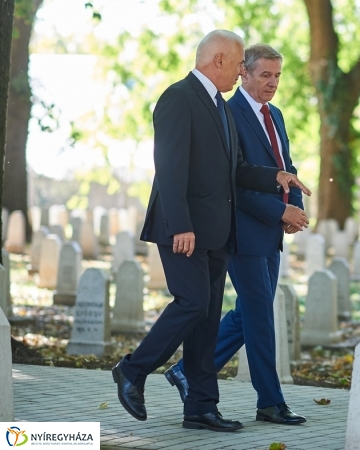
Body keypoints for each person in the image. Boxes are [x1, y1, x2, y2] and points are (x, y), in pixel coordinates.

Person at [111, 30, 311, 433]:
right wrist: (181, 224)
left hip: (217, 232)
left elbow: (235, 171)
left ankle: (201, 407)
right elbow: (169, 169)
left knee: (206, 320)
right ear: (219, 60)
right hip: (183, 229)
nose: (242, 72)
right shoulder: (178, 97)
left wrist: (276, 174)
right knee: (193, 304)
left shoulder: (220, 105)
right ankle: (132, 370)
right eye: (240, 64)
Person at [163, 44, 307, 425]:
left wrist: (296, 211)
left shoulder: (274, 115)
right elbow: (234, 185)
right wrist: (280, 210)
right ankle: (270, 402)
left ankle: (185, 372)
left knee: (248, 314)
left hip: (271, 232)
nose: (273, 83)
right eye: (265, 75)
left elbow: (285, 167)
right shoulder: (226, 114)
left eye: (277, 76)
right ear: (244, 73)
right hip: (241, 232)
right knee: (260, 315)